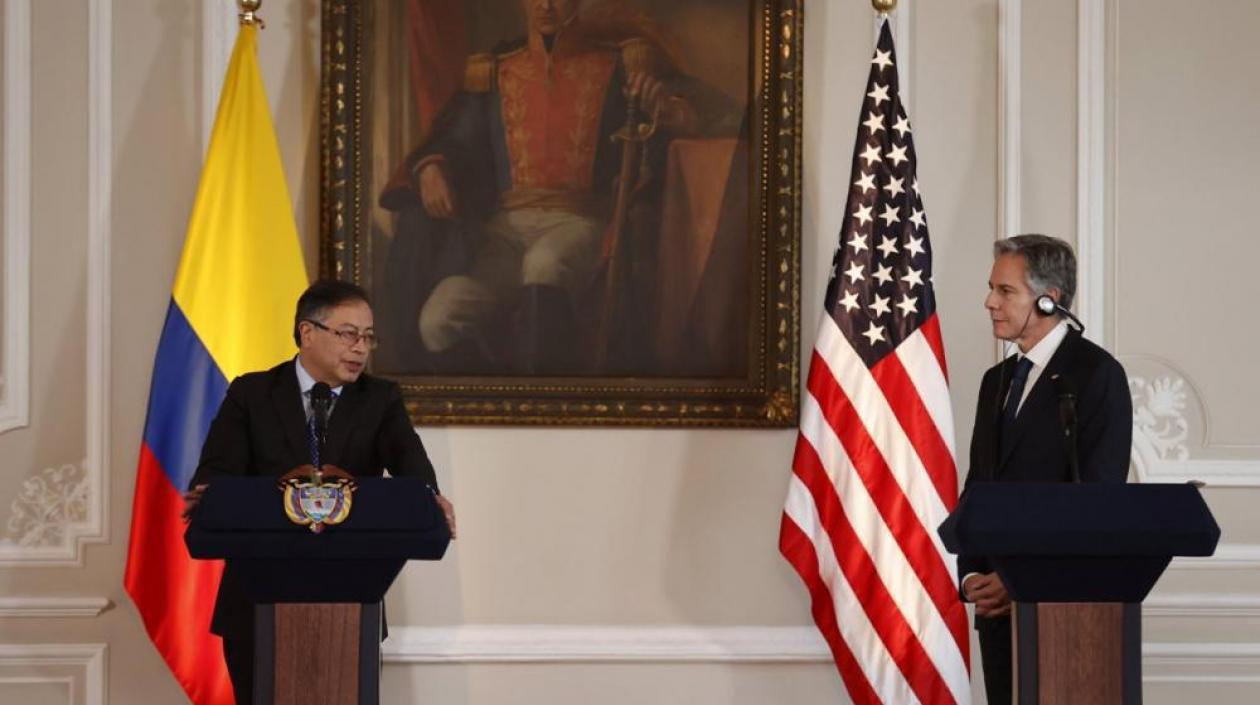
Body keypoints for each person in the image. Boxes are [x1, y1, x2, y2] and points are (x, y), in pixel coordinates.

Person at [377, 0, 738, 375]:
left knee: (544, 265)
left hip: (581, 222)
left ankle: (544, 401)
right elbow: (454, 136)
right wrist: (431, 165)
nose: (545, 6)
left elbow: (724, 112)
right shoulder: (497, 69)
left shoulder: (621, 64)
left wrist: (675, 111)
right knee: (440, 317)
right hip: (503, 233)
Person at [181, 279, 457, 704]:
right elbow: (215, 479)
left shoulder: (380, 399)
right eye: (348, 334)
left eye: (367, 337)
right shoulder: (252, 393)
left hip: (352, 604)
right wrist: (272, 489)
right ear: (307, 333)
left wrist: (430, 498)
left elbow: (414, 475)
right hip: (254, 604)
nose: (360, 348)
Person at [959, 234, 1132, 704]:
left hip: (1064, 615)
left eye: (1005, 291)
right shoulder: (996, 381)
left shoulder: (1096, 375)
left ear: (1049, 301)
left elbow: (1097, 499)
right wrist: (971, 575)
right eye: (992, 288)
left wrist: (1020, 579)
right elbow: (980, 486)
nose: (989, 301)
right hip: (996, 611)